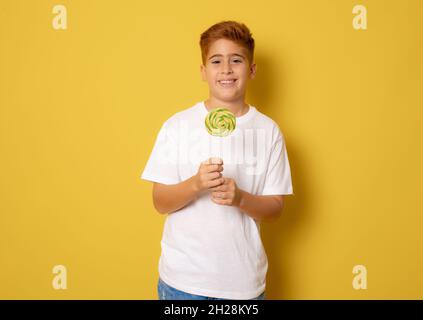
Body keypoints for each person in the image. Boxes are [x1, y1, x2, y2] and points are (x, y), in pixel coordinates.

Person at [141, 20, 294, 300]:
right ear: (203, 71)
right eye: (216, 61)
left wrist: (240, 198)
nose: (226, 70)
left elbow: (275, 209)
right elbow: (160, 202)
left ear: (252, 70)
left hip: (242, 285)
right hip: (182, 283)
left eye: (236, 60)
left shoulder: (268, 131)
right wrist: (196, 184)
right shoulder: (178, 126)